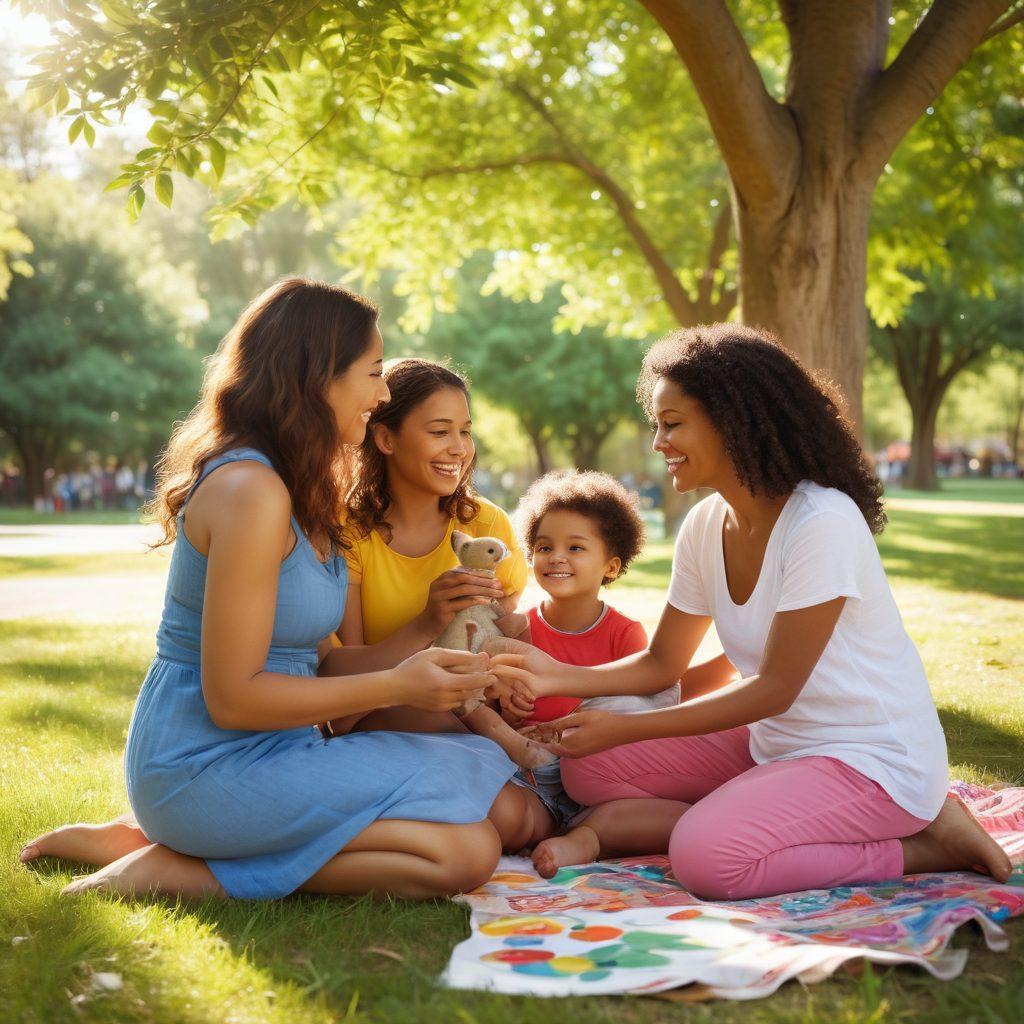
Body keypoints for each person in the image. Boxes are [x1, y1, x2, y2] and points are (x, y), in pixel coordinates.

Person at [20, 278, 530, 900]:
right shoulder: (249, 491)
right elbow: (233, 700)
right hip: (203, 768)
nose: (384, 391)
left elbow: (319, 664)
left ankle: (148, 844)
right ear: (318, 379)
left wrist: (423, 646)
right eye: (371, 372)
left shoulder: (304, 490)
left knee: (474, 815)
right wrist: (399, 685)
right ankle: (171, 867)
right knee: (466, 853)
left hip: (282, 755)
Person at [491, 323, 1012, 898]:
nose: (658, 443)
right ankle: (766, 809)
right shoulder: (705, 525)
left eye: (672, 425)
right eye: (656, 426)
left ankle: (924, 842)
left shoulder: (822, 521)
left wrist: (629, 724)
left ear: (730, 421)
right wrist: (554, 675)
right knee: (589, 767)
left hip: (872, 759)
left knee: (707, 858)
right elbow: (662, 664)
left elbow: (774, 689)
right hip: (777, 743)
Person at [502, 469, 687, 876]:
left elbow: (642, 709)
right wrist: (510, 710)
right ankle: (557, 829)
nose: (556, 557)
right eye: (544, 546)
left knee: (671, 819)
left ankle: (585, 838)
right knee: (502, 814)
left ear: (610, 565)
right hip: (537, 773)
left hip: (604, 777)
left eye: (575, 547)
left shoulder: (626, 634)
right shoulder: (519, 629)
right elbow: (501, 710)